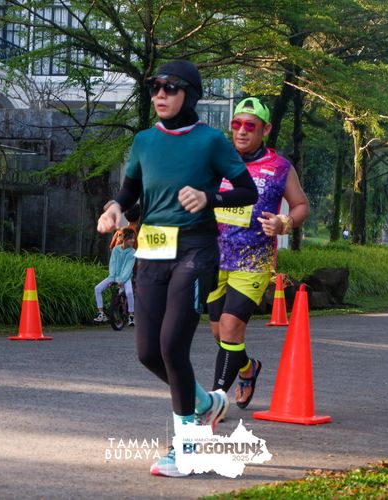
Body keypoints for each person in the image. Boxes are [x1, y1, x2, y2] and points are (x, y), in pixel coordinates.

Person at [96, 60, 258, 477]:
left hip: (195, 250)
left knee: (172, 347)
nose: (159, 95)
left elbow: (247, 191)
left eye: (169, 87)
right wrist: (115, 209)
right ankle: (207, 403)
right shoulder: (144, 141)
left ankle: (188, 447)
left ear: (190, 95)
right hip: (151, 251)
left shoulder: (211, 141)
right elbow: (131, 191)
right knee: (148, 353)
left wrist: (209, 198)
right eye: (154, 88)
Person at [207, 97, 310, 411]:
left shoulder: (279, 167)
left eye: (250, 126)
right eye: (236, 124)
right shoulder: (217, 160)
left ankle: (214, 402)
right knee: (219, 333)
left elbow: (301, 205)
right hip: (214, 257)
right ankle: (248, 368)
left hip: (253, 260)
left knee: (230, 326)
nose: (241, 131)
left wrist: (284, 222)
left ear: (265, 129)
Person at [93, 228, 136, 326]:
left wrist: (122, 280)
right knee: (97, 288)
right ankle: (101, 314)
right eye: (130, 238)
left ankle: (131, 316)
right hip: (114, 276)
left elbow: (128, 268)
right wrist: (112, 279)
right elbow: (112, 264)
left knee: (129, 292)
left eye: (133, 238)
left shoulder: (133, 252)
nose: (133, 240)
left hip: (125, 278)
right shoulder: (116, 250)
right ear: (124, 239)